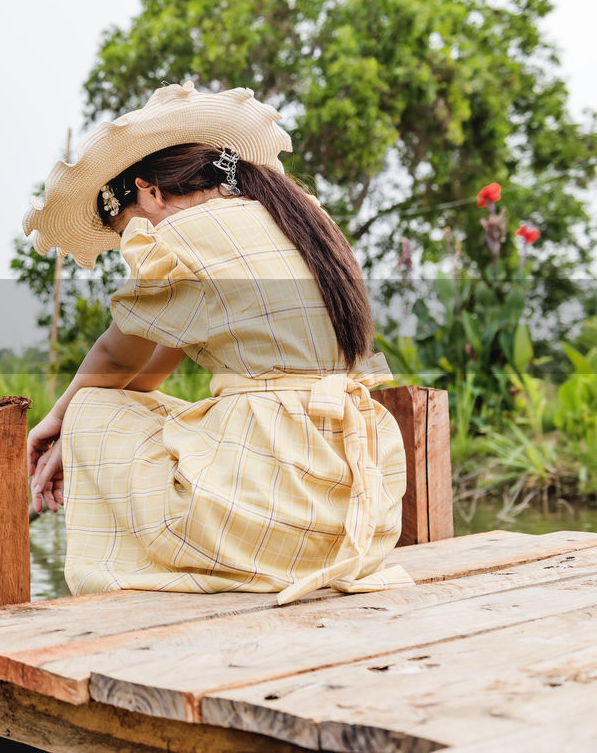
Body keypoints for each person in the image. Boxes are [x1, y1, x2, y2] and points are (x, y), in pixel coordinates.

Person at [21, 82, 413, 605]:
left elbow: (115, 359)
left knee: (92, 403)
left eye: (127, 231)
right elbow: (147, 375)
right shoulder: (300, 222)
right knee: (122, 409)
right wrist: (72, 439)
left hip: (275, 510)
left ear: (149, 193)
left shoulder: (187, 235)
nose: (132, 249)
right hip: (357, 514)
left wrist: (58, 422)